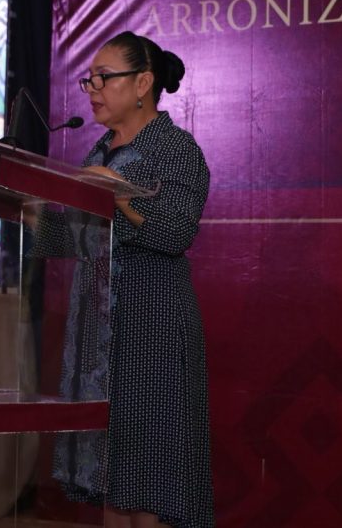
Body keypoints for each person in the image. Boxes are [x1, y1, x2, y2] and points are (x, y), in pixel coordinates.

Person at [58, 31, 215, 528]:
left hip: (153, 327)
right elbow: (75, 240)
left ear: (143, 83)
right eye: (89, 79)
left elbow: (176, 232)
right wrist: (29, 212)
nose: (92, 89)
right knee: (112, 482)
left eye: (104, 78)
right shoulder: (97, 152)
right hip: (99, 336)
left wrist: (120, 194)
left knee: (152, 486)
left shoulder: (176, 149)